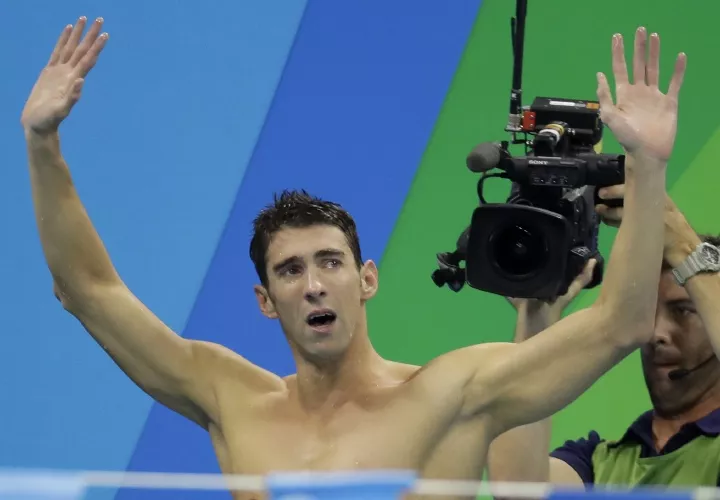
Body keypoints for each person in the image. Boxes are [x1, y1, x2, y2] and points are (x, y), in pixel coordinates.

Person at [21, 17, 685, 497]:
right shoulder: (231, 398)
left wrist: (648, 165)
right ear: (265, 300)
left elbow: (619, 325)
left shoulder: (452, 394)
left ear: (367, 279)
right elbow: (88, 291)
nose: (314, 284)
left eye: (331, 262)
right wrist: (41, 144)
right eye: (290, 270)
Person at [487, 194, 720, 489]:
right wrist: (535, 321)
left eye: (683, 311)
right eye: (647, 313)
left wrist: (684, 247)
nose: (655, 333)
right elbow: (517, 487)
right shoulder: (600, 462)